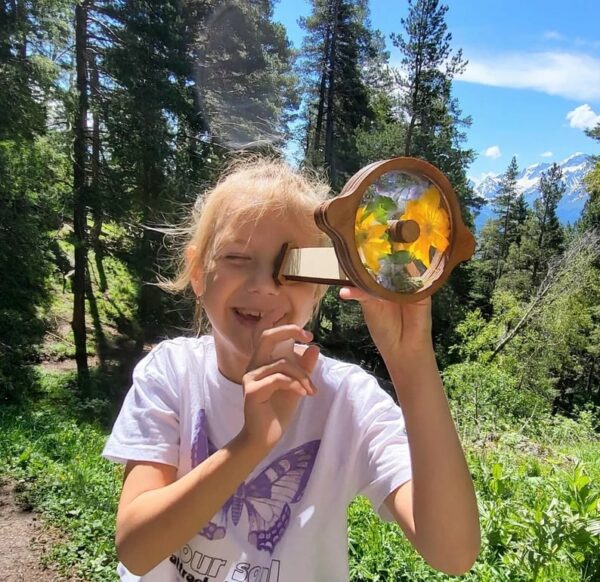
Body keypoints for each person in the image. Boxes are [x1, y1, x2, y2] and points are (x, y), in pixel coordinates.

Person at [102, 158, 480, 581]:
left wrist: (411, 361)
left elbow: (452, 551)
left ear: (320, 286)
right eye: (236, 257)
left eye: (292, 267)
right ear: (196, 271)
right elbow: (136, 549)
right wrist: (250, 443)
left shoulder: (348, 401)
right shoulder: (171, 372)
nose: (264, 284)